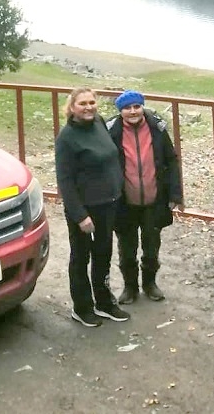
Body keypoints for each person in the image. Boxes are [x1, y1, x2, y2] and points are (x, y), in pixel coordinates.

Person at [55, 87, 131, 327]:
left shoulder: (98, 123)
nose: (88, 107)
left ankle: (104, 302)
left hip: (108, 204)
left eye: (91, 102)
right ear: (72, 107)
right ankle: (82, 307)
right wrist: (80, 216)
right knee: (81, 258)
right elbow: (65, 181)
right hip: (84, 210)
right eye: (82, 104)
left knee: (103, 254)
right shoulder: (67, 138)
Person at [107, 90, 184, 304]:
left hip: (154, 200)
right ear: (120, 111)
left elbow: (171, 160)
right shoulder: (111, 131)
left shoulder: (157, 128)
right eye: (127, 108)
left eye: (136, 106)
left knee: (151, 246)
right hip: (124, 203)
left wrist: (175, 193)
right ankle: (130, 287)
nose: (132, 111)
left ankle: (150, 284)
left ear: (142, 107)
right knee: (127, 248)